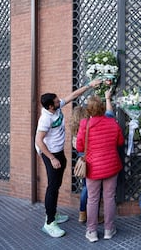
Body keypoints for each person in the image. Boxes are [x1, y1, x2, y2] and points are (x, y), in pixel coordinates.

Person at [35, 79, 102, 238]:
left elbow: (73, 95)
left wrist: (89, 86)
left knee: (56, 184)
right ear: (50, 106)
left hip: (57, 152)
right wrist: (51, 158)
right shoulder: (45, 119)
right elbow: (38, 140)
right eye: (57, 101)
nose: (60, 101)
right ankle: (49, 222)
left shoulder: (56, 108)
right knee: (52, 186)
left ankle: (54, 213)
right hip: (49, 152)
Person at [76, 95, 124, 243]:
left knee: (93, 199)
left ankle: (92, 232)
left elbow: (79, 147)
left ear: (89, 110)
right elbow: (120, 142)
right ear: (103, 108)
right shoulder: (113, 123)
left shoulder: (85, 124)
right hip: (111, 166)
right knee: (109, 198)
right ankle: (109, 229)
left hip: (93, 168)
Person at [71, 90, 114, 223]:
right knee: (95, 191)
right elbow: (109, 115)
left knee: (86, 187)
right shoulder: (89, 125)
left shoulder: (75, 130)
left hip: (83, 157)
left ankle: (82, 213)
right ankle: (92, 217)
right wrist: (107, 99)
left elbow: (78, 147)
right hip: (94, 157)